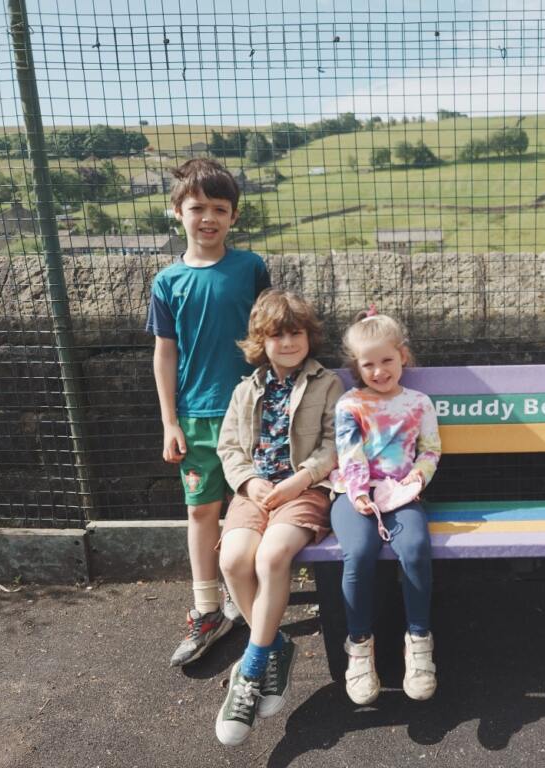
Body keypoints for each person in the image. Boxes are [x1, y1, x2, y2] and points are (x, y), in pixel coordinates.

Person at [146, 158, 271, 666]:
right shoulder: (167, 281)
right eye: (198, 208)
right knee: (201, 511)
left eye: (220, 209)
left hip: (252, 413)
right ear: (178, 212)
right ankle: (207, 609)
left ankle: (254, 597)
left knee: (256, 507)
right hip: (195, 417)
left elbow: (271, 335)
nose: (209, 218)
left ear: (234, 216)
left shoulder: (250, 268)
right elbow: (165, 352)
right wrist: (169, 421)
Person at [213, 289, 343, 746]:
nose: (288, 343)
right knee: (233, 560)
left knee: (271, 558)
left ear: (309, 337)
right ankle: (276, 646)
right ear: (260, 341)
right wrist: (248, 483)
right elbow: (229, 447)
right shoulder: (244, 390)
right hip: (255, 491)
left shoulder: (327, 383)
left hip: (304, 491)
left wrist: (301, 479)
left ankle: (250, 671)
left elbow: (335, 443)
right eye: (277, 335)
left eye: (296, 333)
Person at [330, 309, 441, 705]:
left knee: (415, 547)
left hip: (402, 493)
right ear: (356, 367)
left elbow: (430, 450)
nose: (379, 371)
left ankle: (419, 641)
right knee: (359, 551)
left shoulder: (419, 403)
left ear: (402, 356)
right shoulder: (350, 404)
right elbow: (349, 454)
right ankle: (359, 647)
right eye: (369, 365)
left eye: (387, 360)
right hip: (354, 495)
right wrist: (359, 493)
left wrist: (418, 479)